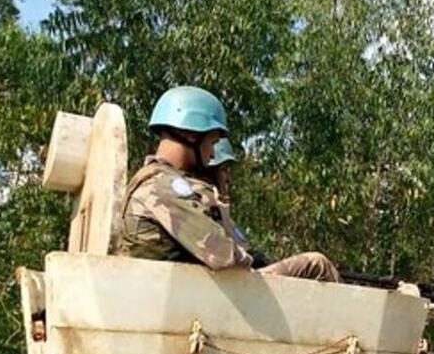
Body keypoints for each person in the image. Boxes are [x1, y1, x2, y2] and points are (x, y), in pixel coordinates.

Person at [114, 85, 339, 282]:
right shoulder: (162, 187)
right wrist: (250, 258)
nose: (213, 153)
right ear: (191, 135)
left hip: (192, 292)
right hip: (198, 297)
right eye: (212, 142)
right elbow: (225, 256)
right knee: (317, 265)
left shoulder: (161, 183)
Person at [197, 138, 340, 282]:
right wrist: (249, 258)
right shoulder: (205, 201)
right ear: (209, 171)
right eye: (223, 170)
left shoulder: (218, 206)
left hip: (245, 275)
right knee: (318, 263)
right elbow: (222, 254)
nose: (228, 178)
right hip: (240, 279)